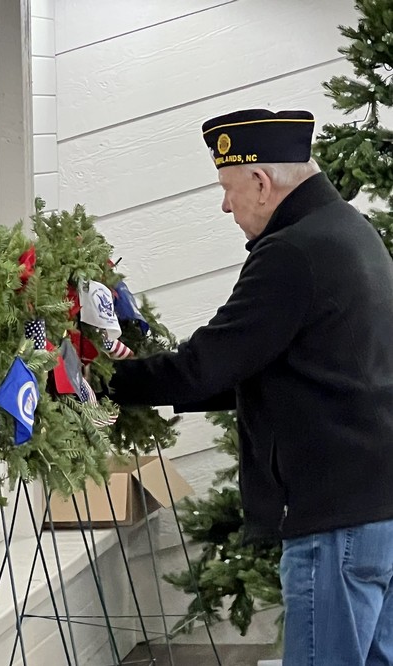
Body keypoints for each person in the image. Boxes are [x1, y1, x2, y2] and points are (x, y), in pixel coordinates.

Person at [109, 108, 393, 665]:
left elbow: (208, 364)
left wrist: (98, 382)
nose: (225, 205)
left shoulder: (292, 251)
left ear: (261, 183)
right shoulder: (351, 232)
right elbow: (267, 365)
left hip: (334, 518)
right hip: (377, 506)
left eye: (227, 188)